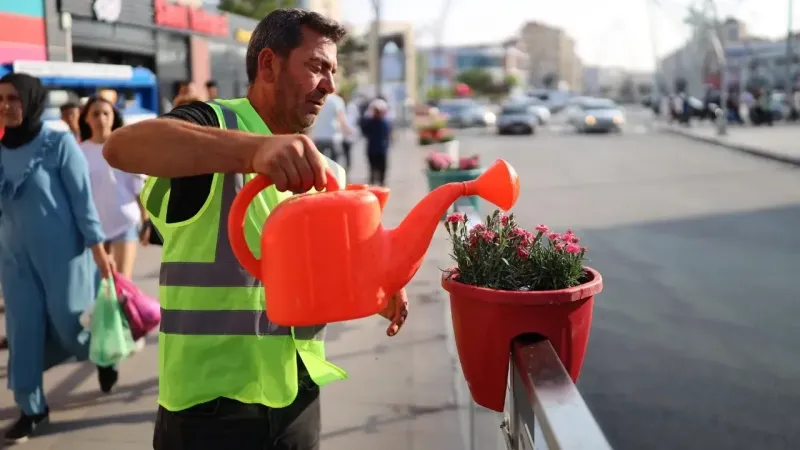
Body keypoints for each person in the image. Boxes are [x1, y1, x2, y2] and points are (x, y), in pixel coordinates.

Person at [103, 9, 409, 450]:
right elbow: (122, 146)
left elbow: (313, 272)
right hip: (208, 409)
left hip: (295, 398)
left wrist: (369, 286)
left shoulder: (322, 169)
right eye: (316, 66)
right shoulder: (214, 124)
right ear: (268, 65)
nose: (329, 85)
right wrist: (255, 151)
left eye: (333, 71)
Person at [0, 73, 116, 444]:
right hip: (14, 260)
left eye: (14, 99)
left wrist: (99, 251)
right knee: (22, 332)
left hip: (64, 256)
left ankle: (103, 355)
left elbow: (83, 202)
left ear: (32, 101)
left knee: (70, 325)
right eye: (0, 99)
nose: (6, 106)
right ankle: (32, 408)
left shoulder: (58, 143)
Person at [78, 96, 148, 279]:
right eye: (95, 114)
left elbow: (139, 187)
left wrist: (146, 220)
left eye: (105, 113)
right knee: (104, 286)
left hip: (125, 222)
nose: (101, 118)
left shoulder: (125, 147)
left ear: (113, 117)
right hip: (95, 229)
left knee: (123, 283)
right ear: (86, 118)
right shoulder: (79, 152)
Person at [309, 89, 351, 164]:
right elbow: (341, 117)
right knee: (335, 163)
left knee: (320, 162)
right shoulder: (337, 100)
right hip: (333, 136)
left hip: (319, 136)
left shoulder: (318, 99)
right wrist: (347, 129)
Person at [360, 99, 392, 186]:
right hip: (374, 149)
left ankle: (380, 184)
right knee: (373, 169)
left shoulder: (383, 123)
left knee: (381, 170)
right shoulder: (371, 122)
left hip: (380, 149)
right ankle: (375, 185)